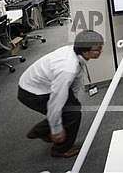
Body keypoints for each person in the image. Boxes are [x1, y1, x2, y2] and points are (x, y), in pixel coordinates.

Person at [18, 30, 104, 158]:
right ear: (85, 51)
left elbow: (76, 79)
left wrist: (73, 99)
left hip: (42, 83)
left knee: (71, 107)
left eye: (101, 48)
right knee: (72, 114)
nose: (100, 51)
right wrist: (56, 129)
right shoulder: (67, 69)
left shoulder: (74, 52)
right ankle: (61, 149)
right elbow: (55, 102)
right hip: (32, 93)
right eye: (97, 50)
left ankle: (39, 131)